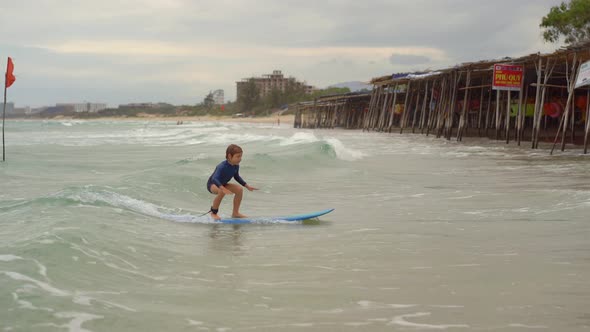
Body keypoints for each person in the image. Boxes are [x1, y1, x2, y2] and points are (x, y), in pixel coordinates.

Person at [207, 144, 257, 220]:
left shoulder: (236, 166)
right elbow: (214, 178)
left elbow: (236, 177)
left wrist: (247, 186)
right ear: (230, 156)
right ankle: (213, 213)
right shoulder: (222, 166)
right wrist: (222, 188)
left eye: (241, 156)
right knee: (221, 191)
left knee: (239, 189)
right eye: (238, 156)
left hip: (223, 184)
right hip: (213, 184)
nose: (240, 159)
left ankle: (235, 213)